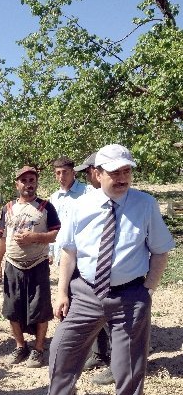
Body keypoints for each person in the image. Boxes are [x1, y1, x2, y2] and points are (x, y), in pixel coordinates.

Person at [27, 144, 175, 395]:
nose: (122, 178)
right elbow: (68, 251)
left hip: (130, 296)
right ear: (97, 174)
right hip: (86, 294)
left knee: (129, 367)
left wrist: (146, 289)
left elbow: (161, 251)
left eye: (127, 171)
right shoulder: (81, 206)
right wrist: (63, 292)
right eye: (114, 172)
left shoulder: (145, 204)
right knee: (60, 354)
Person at [0, 166, 60, 368]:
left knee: (40, 308)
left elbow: (55, 234)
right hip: (13, 264)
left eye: (32, 180)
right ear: (17, 184)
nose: (28, 184)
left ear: (36, 183)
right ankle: (20, 346)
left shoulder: (46, 207)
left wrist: (35, 238)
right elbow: (1, 237)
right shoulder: (8, 208)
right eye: (24, 181)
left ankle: (38, 349)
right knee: (13, 308)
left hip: (37, 264)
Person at [75, 153, 113, 382]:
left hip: (113, 272)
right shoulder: (92, 199)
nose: (87, 177)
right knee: (97, 313)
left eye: (88, 172)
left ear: (97, 171)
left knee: (114, 319)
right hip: (93, 269)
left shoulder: (121, 200)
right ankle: (100, 353)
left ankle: (118, 365)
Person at [49, 156, 87, 264]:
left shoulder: (86, 192)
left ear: (73, 172)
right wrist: (50, 251)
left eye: (65, 172)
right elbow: (52, 226)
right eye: (58, 173)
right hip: (62, 254)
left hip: (82, 253)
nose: (61, 176)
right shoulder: (54, 198)